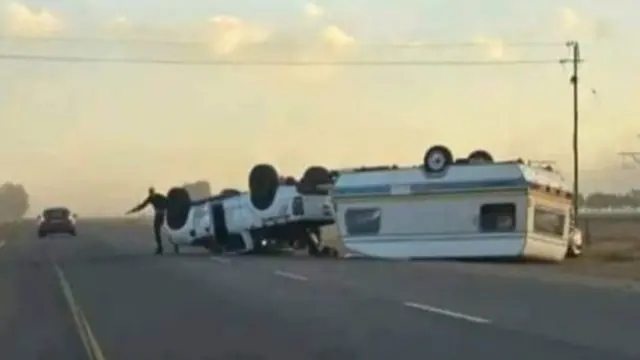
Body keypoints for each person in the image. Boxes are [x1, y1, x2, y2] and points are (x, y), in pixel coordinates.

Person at [125, 187, 171, 255]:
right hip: (159, 214)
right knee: (156, 231)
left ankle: (163, 247)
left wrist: (166, 209)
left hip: (162, 214)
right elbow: (142, 206)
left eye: (152, 193)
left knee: (159, 230)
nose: (151, 194)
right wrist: (133, 211)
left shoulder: (159, 196)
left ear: (153, 192)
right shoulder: (150, 198)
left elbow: (168, 201)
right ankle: (160, 247)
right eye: (150, 193)